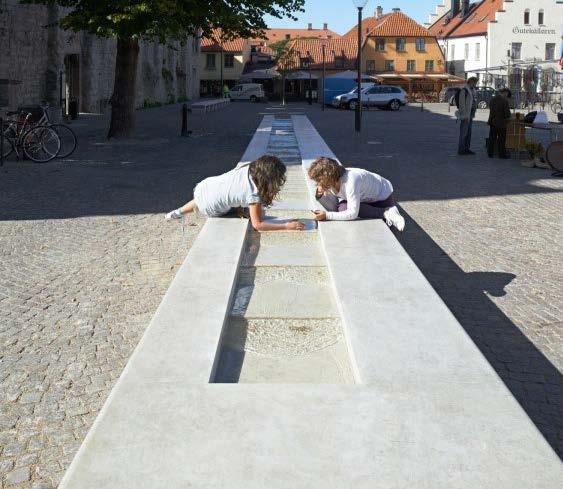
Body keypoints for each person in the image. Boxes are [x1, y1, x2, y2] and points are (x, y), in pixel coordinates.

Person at [165, 155, 305, 232]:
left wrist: (239, 207)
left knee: (201, 199)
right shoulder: (253, 194)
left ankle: (176, 213)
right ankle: (178, 213)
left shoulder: (248, 168)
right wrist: (286, 226)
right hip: (211, 209)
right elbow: (258, 225)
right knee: (258, 214)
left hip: (204, 187)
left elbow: (233, 187)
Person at [308, 157, 405, 232]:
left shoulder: (351, 181)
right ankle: (382, 212)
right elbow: (334, 208)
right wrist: (321, 194)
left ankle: (387, 211)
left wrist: (326, 216)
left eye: (319, 180)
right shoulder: (332, 182)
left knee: (390, 232)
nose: (318, 183)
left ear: (328, 177)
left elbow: (352, 214)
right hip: (365, 199)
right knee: (342, 208)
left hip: (382, 198)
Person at [487, 88, 512, 159]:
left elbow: (491, 111)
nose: (507, 96)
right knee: (501, 139)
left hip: (493, 122)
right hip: (501, 123)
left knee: (492, 139)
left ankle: (490, 153)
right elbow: (507, 114)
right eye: (507, 95)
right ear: (505, 93)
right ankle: (502, 155)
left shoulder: (493, 99)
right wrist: (509, 118)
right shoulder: (504, 101)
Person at [457, 76, 478, 155]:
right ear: (471, 82)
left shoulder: (472, 90)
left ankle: (467, 148)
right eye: (475, 82)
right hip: (466, 115)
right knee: (463, 133)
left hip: (471, 115)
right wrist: (464, 115)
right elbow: (462, 104)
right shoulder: (464, 90)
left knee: (469, 133)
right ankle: (461, 149)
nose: (475, 84)